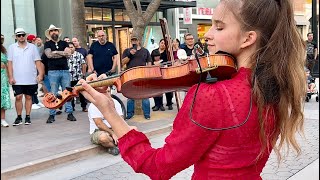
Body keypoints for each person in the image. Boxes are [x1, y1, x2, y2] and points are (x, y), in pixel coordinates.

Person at [78, 0, 306, 179]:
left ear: (248, 38)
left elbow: (157, 167)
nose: (208, 35)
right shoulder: (275, 88)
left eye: (219, 27)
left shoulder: (213, 95)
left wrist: (109, 111)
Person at [8, 28, 44, 126]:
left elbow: (37, 61)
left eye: (23, 35)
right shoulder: (12, 47)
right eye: (19, 35)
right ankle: (19, 117)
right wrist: (10, 77)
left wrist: (40, 74)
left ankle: (28, 117)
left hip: (31, 78)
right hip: (17, 78)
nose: (21, 37)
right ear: (16, 37)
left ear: (25, 36)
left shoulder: (32, 47)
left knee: (29, 97)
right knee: (18, 97)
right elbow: (10, 63)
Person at [86, 73, 129, 155]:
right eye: (104, 92)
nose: (107, 94)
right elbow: (99, 124)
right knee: (104, 138)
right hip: (99, 131)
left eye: (108, 91)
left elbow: (121, 119)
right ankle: (112, 146)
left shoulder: (115, 102)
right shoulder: (94, 105)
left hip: (114, 128)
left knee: (133, 129)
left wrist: (117, 131)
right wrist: (113, 133)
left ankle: (118, 144)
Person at [43, 24, 77, 123]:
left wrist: (56, 52)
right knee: (53, 93)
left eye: (55, 31)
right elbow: (49, 55)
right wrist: (62, 53)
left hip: (64, 70)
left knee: (67, 92)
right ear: (49, 33)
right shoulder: (47, 44)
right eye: (52, 31)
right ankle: (52, 114)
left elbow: (68, 54)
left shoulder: (64, 43)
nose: (54, 32)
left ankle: (70, 113)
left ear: (58, 32)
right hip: (52, 71)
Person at [121, 35, 152, 120]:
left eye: (135, 40)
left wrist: (148, 73)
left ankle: (147, 114)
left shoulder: (145, 51)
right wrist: (130, 55)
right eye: (132, 40)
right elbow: (123, 62)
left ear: (139, 41)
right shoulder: (127, 51)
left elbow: (149, 62)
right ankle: (130, 113)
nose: (134, 42)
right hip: (130, 75)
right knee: (130, 95)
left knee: (145, 95)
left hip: (142, 75)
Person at [67, 42, 87, 112]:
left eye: (71, 47)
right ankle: (72, 107)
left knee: (81, 92)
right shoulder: (66, 56)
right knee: (70, 93)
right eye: (69, 47)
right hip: (69, 78)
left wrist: (83, 74)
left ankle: (84, 106)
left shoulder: (79, 55)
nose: (70, 49)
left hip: (78, 77)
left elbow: (83, 64)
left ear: (74, 47)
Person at [1, 34, 11, 127]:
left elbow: (7, 64)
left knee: (3, 97)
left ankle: (3, 119)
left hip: (3, 78)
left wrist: (9, 77)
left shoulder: (3, 50)